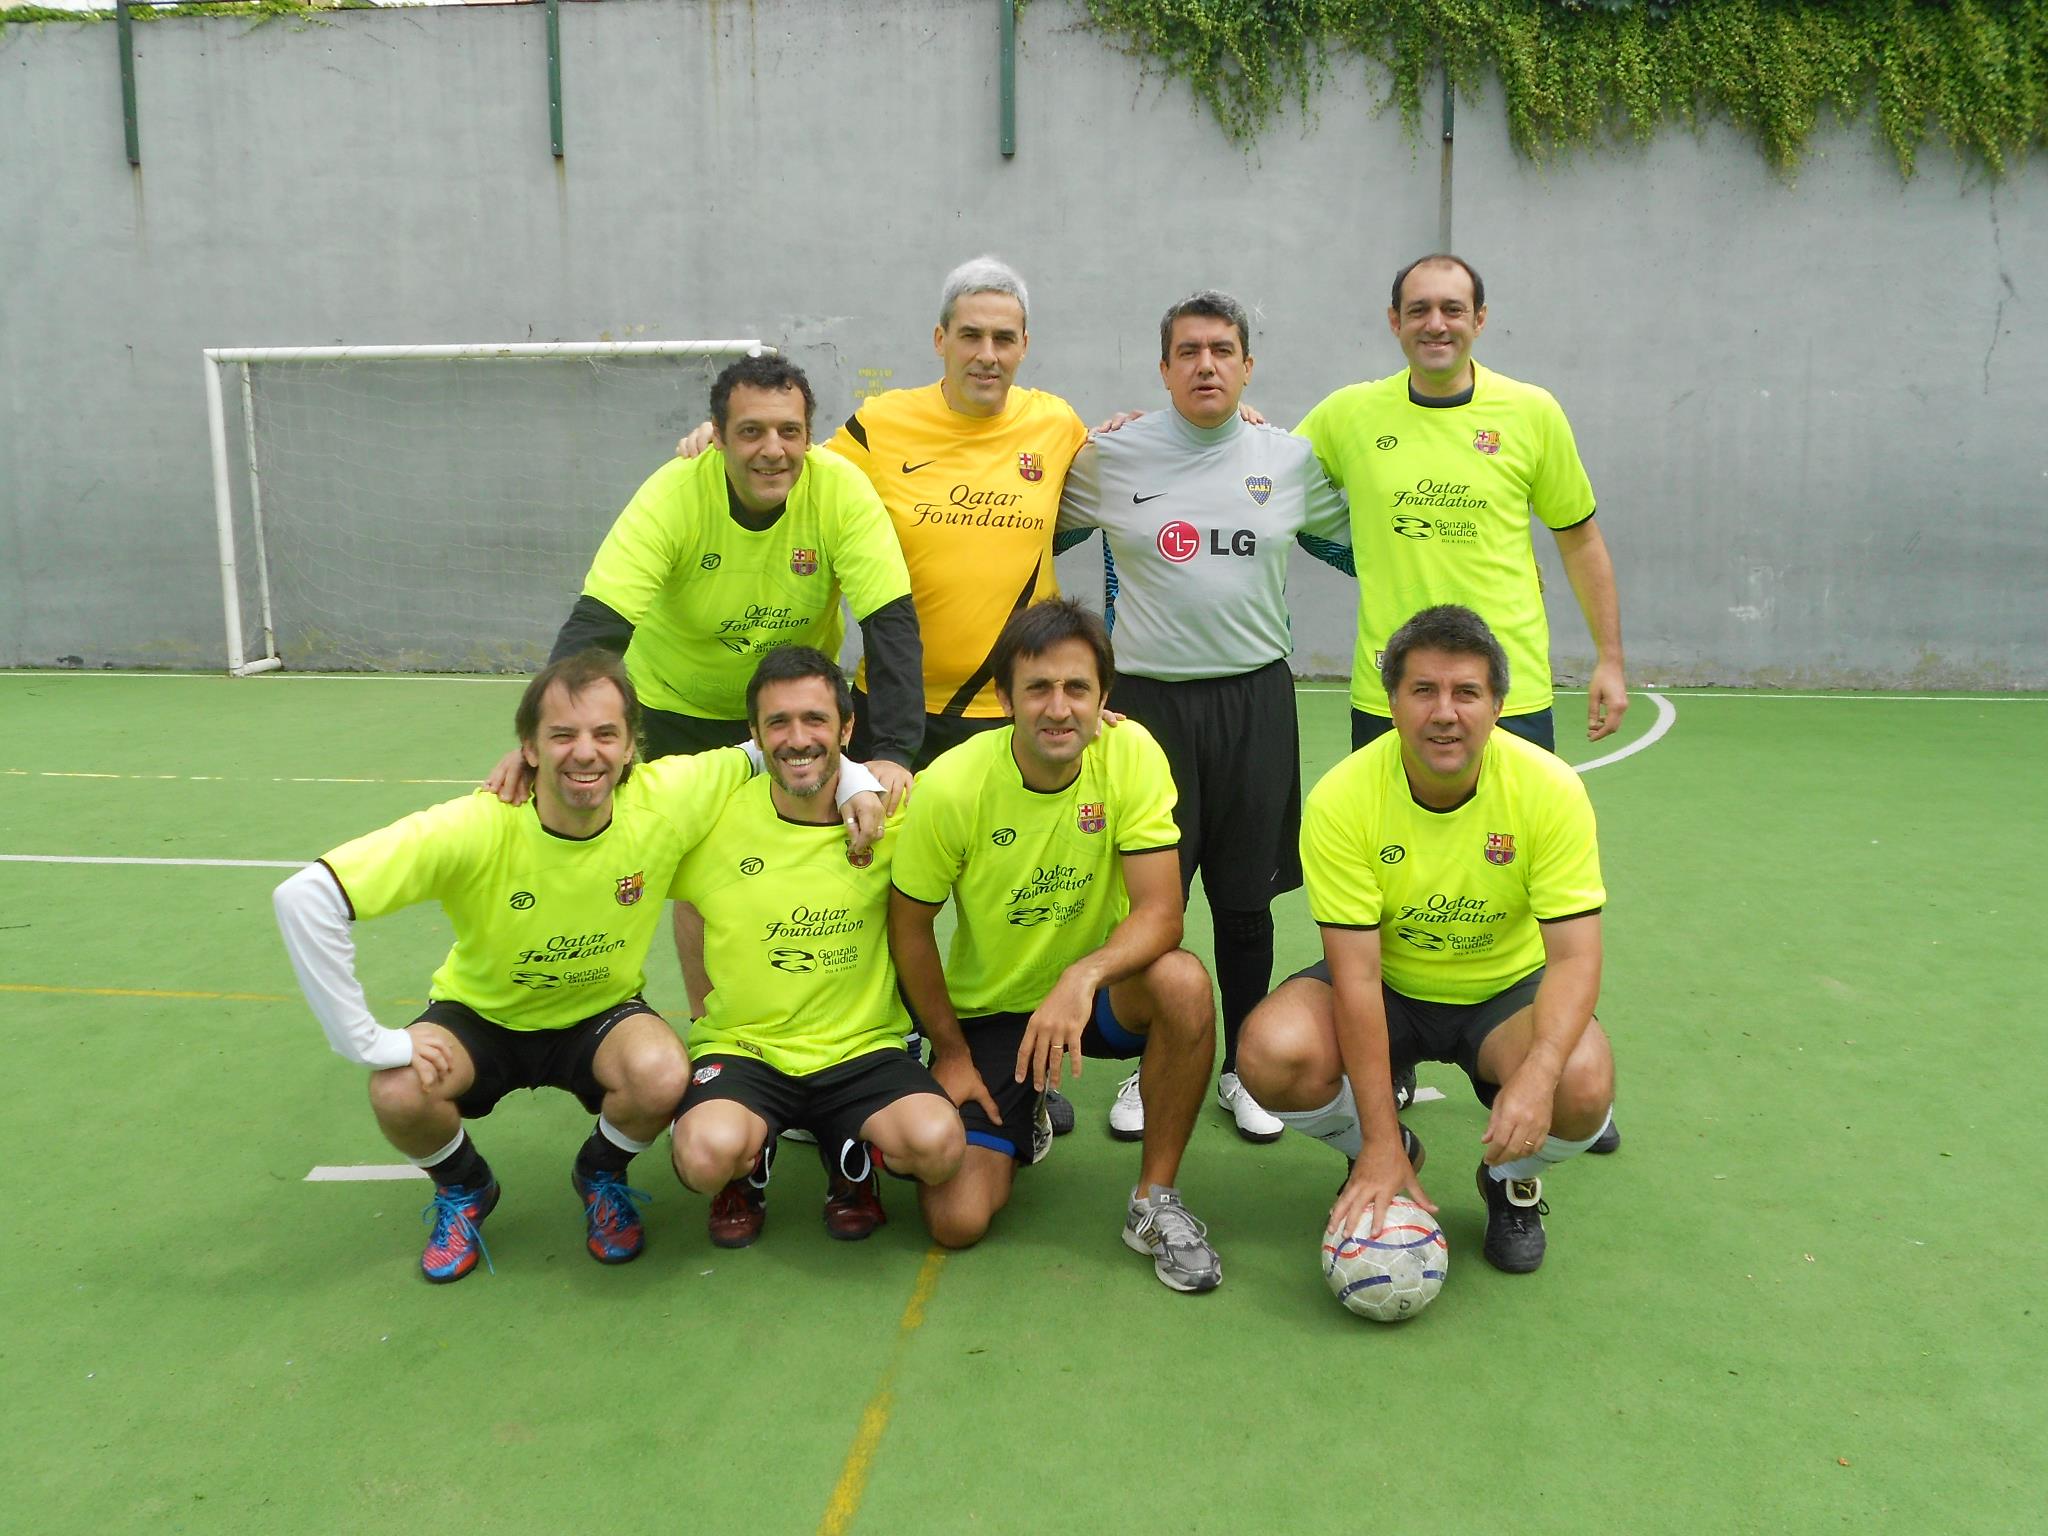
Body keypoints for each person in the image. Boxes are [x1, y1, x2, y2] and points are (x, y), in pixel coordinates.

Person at [274, 649, 881, 1282]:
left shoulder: (664, 797)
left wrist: (861, 782)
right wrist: (367, 1040)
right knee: (398, 1087)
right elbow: (306, 897)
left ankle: (601, 1174)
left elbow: (786, 747)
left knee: (663, 1072)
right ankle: (464, 1187)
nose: (585, 752)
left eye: (604, 735)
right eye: (561, 735)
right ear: (528, 749)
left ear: (630, 749)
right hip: (482, 1015)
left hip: (599, 1016)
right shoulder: (475, 825)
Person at [677, 258, 1092, 1134]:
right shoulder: (876, 426)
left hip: (1007, 714)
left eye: (1004, 338)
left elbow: (1139, 462)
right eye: (970, 335)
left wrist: (1228, 421)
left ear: (1025, 347)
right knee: (870, 889)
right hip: (893, 711)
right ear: (939, 340)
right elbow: (779, 462)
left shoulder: (1056, 425)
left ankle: (1016, 1061)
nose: (987, 353)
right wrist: (708, 444)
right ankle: (849, 1056)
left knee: (1007, 902)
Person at [490, 353, 923, 1014]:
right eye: (750, 432)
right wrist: (540, 743)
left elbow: (890, 625)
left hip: (791, 716)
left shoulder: (841, 490)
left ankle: (838, 1027)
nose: (771, 450)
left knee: (831, 859)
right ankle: (711, 1033)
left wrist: (889, 752)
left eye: (788, 432)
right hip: (682, 708)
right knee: (698, 877)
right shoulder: (672, 493)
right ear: (717, 436)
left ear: (810, 437)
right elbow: (597, 629)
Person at [1235, 606, 1617, 1274]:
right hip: (1388, 988)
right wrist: (1379, 1138)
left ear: (1498, 705)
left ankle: (1509, 1182)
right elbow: (1354, 978)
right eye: (1423, 691)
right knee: (1270, 1053)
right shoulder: (1343, 798)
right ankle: (1382, 1154)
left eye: (1466, 692)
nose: (1445, 712)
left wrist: (1539, 1073)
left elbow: (1577, 956)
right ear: (1392, 703)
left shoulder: (1549, 790)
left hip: (1505, 996)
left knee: (1582, 1085)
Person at [1056, 289, 1352, 1146]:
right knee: (1154, 893)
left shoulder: (1288, 459)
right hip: (1146, 707)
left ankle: (1241, 1068)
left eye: (1222, 350)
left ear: (1248, 366)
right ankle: (1154, 1065)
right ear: (1163, 368)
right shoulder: (1113, 457)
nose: (1206, 364)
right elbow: (1024, 525)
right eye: (1188, 351)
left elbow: (1368, 539)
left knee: (1245, 897)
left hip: (1255, 700)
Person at [888, 599, 1223, 1293]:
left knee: (1183, 982)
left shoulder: (1130, 753)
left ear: (1105, 698)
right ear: (1005, 697)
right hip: (994, 1015)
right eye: (1038, 688)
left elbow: (1163, 913)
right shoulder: (953, 785)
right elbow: (909, 928)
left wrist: (1081, 977)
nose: (1058, 708)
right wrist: (949, 1052)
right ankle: (1024, 1106)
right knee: (957, 1220)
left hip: (1095, 999)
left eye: (1077, 688)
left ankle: (1153, 1200)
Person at [669, 646, 966, 1247]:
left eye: (815, 720)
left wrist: (1102, 736)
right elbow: (689, 907)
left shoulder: (893, 814)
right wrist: (703, 1012)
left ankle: (849, 1153)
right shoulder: (715, 817)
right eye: (777, 723)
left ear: (847, 729)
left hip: (863, 1046)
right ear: (754, 735)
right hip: (747, 1046)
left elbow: (990, 784)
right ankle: (745, 1173)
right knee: (702, 1158)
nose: (796, 739)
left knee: (938, 1148)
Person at [1296, 254, 1628, 755]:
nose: (1436, 325)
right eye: (1418, 310)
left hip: (1507, 692)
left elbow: (1579, 539)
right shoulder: (1348, 414)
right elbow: (1260, 474)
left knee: (1515, 834)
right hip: (1390, 689)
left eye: (1452, 309)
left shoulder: (1532, 412)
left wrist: (1610, 659)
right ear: (1395, 321)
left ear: (1479, 319)